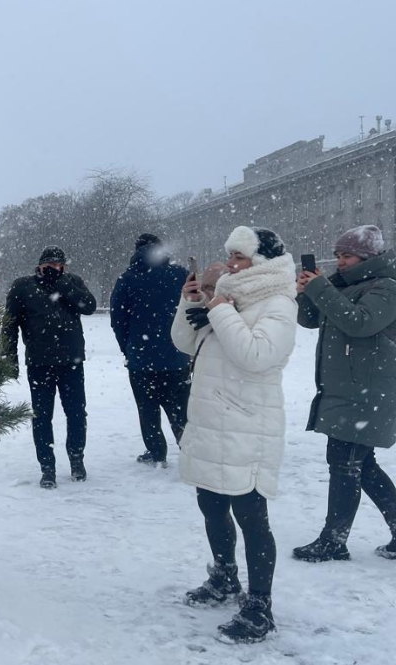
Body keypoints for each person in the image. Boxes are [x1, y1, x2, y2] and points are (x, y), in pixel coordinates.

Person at [170, 226, 297, 644]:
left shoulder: (278, 302)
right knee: (210, 502)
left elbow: (257, 355)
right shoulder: (229, 295)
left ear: (261, 261)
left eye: (239, 257)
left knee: (251, 516)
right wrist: (190, 305)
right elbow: (186, 344)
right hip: (210, 419)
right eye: (230, 256)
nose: (231, 263)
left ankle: (260, 606)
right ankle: (224, 576)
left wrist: (220, 309)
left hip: (247, 425)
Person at [292, 225, 396, 562]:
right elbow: (311, 321)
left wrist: (322, 288)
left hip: (368, 392)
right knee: (361, 465)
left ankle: (333, 541)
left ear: (368, 257)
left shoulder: (386, 288)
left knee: (345, 465)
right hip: (351, 389)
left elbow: (359, 322)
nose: (340, 261)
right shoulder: (347, 286)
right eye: (338, 255)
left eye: (347, 255)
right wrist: (306, 292)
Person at [4, 245, 98, 489]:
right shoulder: (23, 286)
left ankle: (77, 459)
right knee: (41, 417)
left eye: (58, 266)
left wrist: (64, 284)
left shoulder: (72, 282)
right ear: (39, 265)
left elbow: (88, 306)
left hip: (71, 361)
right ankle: (47, 468)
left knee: (77, 413)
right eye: (49, 266)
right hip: (39, 362)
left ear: (64, 266)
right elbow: (9, 325)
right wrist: (8, 358)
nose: (54, 269)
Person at [109, 233, 191, 467]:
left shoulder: (127, 278)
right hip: (177, 356)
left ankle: (156, 452)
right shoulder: (181, 275)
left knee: (148, 410)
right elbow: (192, 310)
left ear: (137, 251)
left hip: (141, 360)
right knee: (181, 411)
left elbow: (118, 319)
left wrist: (129, 347)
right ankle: (190, 451)